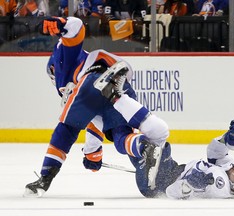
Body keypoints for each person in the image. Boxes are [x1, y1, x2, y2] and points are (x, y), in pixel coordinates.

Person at [23, 16, 168, 197]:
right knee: (120, 137)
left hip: (93, 79)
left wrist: (61, 23)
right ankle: (143, 147)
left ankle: (45, 179)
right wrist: (93, 152)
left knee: (66, 129)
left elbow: (76, 27)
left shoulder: (61, 58)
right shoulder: (84, 68)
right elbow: (95, 119)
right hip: (120, 88)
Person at [130, 120, 234, 199]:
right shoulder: (229, 171)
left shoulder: (218, 185)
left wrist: (189, 185)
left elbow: (171, 192)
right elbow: (215, 152)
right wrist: (229, 140)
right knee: (152, 141)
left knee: (149, 144)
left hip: (155, 185)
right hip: (171, 170)